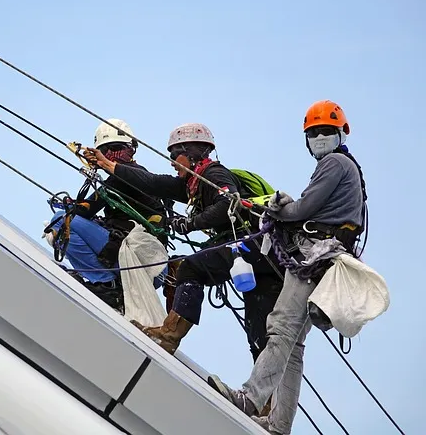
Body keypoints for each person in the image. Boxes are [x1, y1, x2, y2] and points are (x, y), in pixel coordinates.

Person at [207, 100, 367, 435]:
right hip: (327, 260)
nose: (320, 137)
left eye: (325, 131)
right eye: (314, 133)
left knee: (280, 329)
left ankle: (248, 400)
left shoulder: (335, 163)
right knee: (293, 346)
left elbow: (303, 210)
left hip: (315, 259)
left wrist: (278, 207)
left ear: (340, 133)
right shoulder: (347, 167)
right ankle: (279, 424)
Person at [85, 123, 284, 366]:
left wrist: (190, 223)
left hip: (252, 245)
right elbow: (152, 182)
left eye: (173, 155)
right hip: (262, 255)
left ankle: (170, 334)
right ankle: (266, 399)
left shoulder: (213, 174)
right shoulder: (191, 184)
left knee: (191, 267)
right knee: (257, 327)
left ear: (191, 153)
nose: (171, 161)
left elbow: (227, 204)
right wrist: (109, 166)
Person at [47, 118, 168, 313]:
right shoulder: (134, 177)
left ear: (131, 150)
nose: (111, 156)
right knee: (67, 224)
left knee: (61, 221)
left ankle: (105, 284)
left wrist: (73, 207)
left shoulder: (127, 176)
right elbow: (89, 206)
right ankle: (109, 284)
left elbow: (86, 209)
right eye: (105, 151)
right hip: (151, 266)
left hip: (142, 261)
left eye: (117, 149)